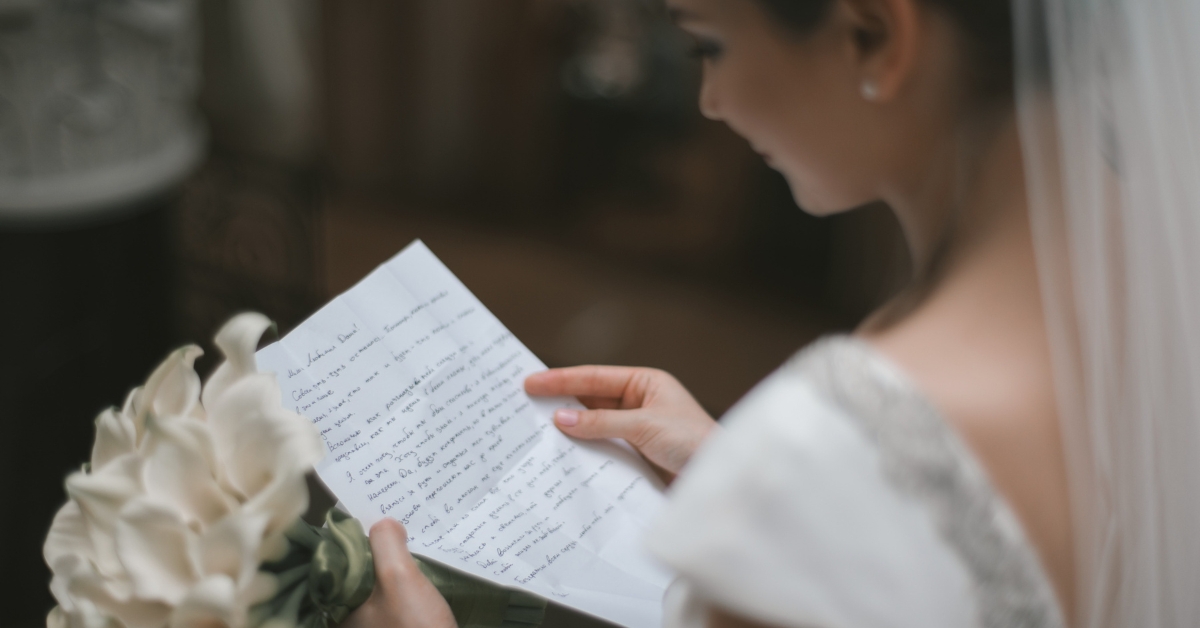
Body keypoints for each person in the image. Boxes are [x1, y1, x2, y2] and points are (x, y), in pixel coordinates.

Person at [344, 0, 1200, 627]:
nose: (711, 102)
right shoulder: (1166, 260)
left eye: (710, 46)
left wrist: (798, 490)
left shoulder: (825, 446)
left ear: (874, 34)